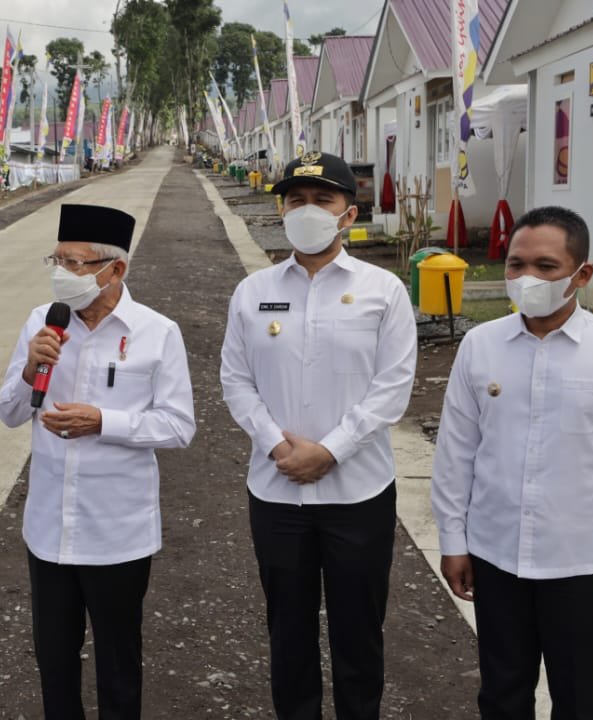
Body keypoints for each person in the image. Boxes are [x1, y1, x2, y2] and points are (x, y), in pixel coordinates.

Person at [431, 206, 593, 719]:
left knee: (581, 699)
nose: (527, 278)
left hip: (581, 566)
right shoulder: (481, 345)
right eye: (516, 264)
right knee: (501, 694)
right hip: (497, 558)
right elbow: (457, 452)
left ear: (581, 274)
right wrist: (453, 540)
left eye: (546, 267)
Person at [220, 151, 417, 720]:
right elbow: (235, 379)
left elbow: (393, 386)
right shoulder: (253, 292)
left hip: (358, 494)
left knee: (360, 634)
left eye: (322, 200)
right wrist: (278, 446)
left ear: (348, 214)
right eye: (296, 200)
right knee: (288, 633)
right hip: (276, 492)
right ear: (282, 210)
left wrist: (330, 450)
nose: (307, 211)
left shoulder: (383, 290)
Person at [0, 203, 196, 719]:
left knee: (118, 662)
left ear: (115, 270)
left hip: (117, 532)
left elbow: (178, 426)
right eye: (57, 261)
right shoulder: (41, 322)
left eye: (77, 264)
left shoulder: (157, 332)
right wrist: (28, 369)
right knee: (54, 662)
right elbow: (10, 413)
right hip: (49, 528)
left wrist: (104, 422)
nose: (64, 274)